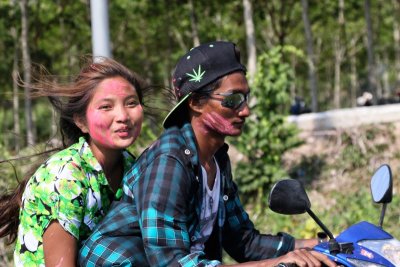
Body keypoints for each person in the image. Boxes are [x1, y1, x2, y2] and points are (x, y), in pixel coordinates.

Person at [78, 41, 335, 266]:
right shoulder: (169, 161)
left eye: (246, 98)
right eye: (233, 100)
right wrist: (275, 264)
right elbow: (171, 262)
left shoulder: (216, 160)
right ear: (196, 103)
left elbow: (244, 242)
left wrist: (325, 244)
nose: (244, 111)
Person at [0, 57, 146, 266]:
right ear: (81, 121)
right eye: (106, 107)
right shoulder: (65, 177)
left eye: (131, 103)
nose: (123, 115)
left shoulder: (131, 166)